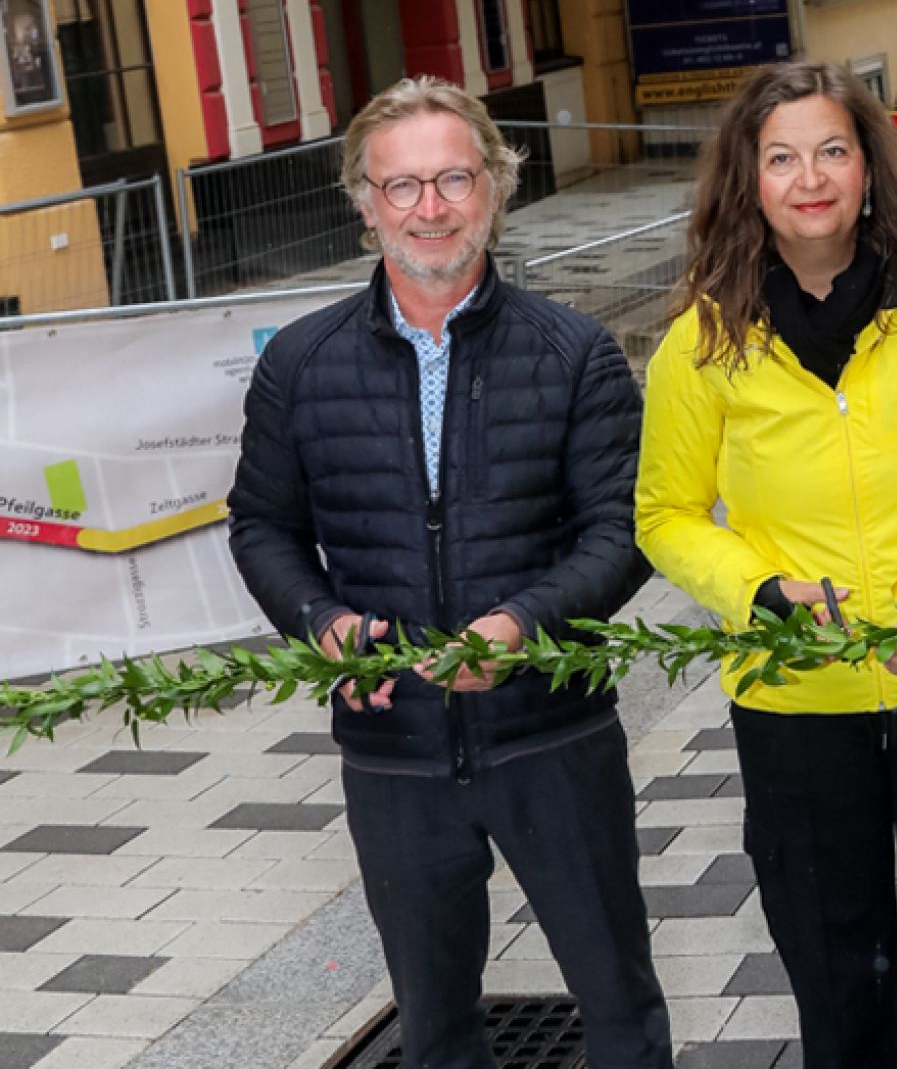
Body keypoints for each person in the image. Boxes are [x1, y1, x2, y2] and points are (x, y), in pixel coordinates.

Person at [228, 76, 672, 1069]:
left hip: (553, 736)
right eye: (402, 186)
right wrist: (322, 623)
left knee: (618, 1001)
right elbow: (262, 525)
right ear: (362, 200)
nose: (429, 208)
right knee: (433, 1027)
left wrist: (523, 622)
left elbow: (621, 532)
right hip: (394, 751)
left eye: (453, 179)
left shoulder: (573, 353)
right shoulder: (301, 363)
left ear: (497, 187)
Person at [635, 63, 897, 1069]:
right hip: (794, 706)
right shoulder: (699, 343)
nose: (808, 177)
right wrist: (757, 591)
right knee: (840, 987)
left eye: (831, 151)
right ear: (748, 179)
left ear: (868, 168)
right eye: (781, 157)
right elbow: (665, 514)